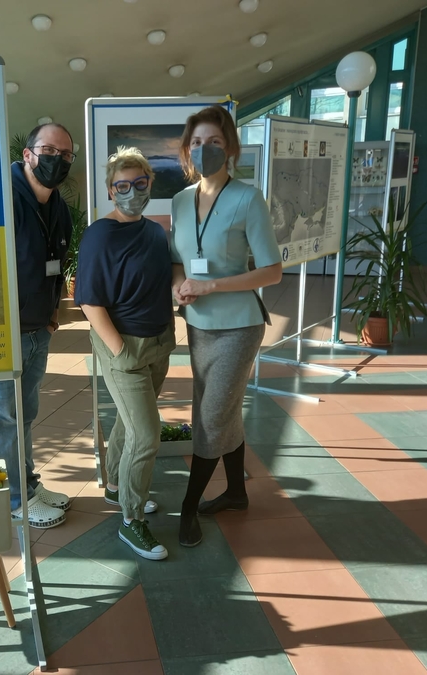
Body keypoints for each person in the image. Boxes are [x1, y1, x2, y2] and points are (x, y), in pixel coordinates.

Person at [170, 106, 283, 547]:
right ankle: (236, 493)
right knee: (225, 410)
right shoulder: (180, 201)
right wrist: (181, 286)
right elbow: (178, 260)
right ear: (186, 149)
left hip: (239, 326)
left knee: (211, 415)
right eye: (197, 143)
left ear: (230, 148)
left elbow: (272, 271)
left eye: (214, 142)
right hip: (198, 324)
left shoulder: (247, 199)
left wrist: (213, 283)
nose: (204, 150)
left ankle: (187, 509)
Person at [0, 123, 75, 529]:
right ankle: (13, 499)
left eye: (65, 155)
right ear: (29, 153)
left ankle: (27, 484)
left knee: (24, 415)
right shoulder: (0, 197)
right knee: (0, 418)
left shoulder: (57, 206)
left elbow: (57, 264)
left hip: (35, 332)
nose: (57, 160)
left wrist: (52, 315)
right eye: (49, 150)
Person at [75, 147, 176, 560]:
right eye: (122, 186)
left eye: (139, 184)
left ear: (150, 184)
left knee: (130, 422)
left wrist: (180, 287)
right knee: (146, 435)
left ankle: (116, 486)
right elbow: (90, 301)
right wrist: (118, 350)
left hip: (158, 343)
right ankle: (132, 520)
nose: (131, 192)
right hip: (125, 348)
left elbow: (168, 271)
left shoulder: (154, 232)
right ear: (109, 189)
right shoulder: (100, 234)